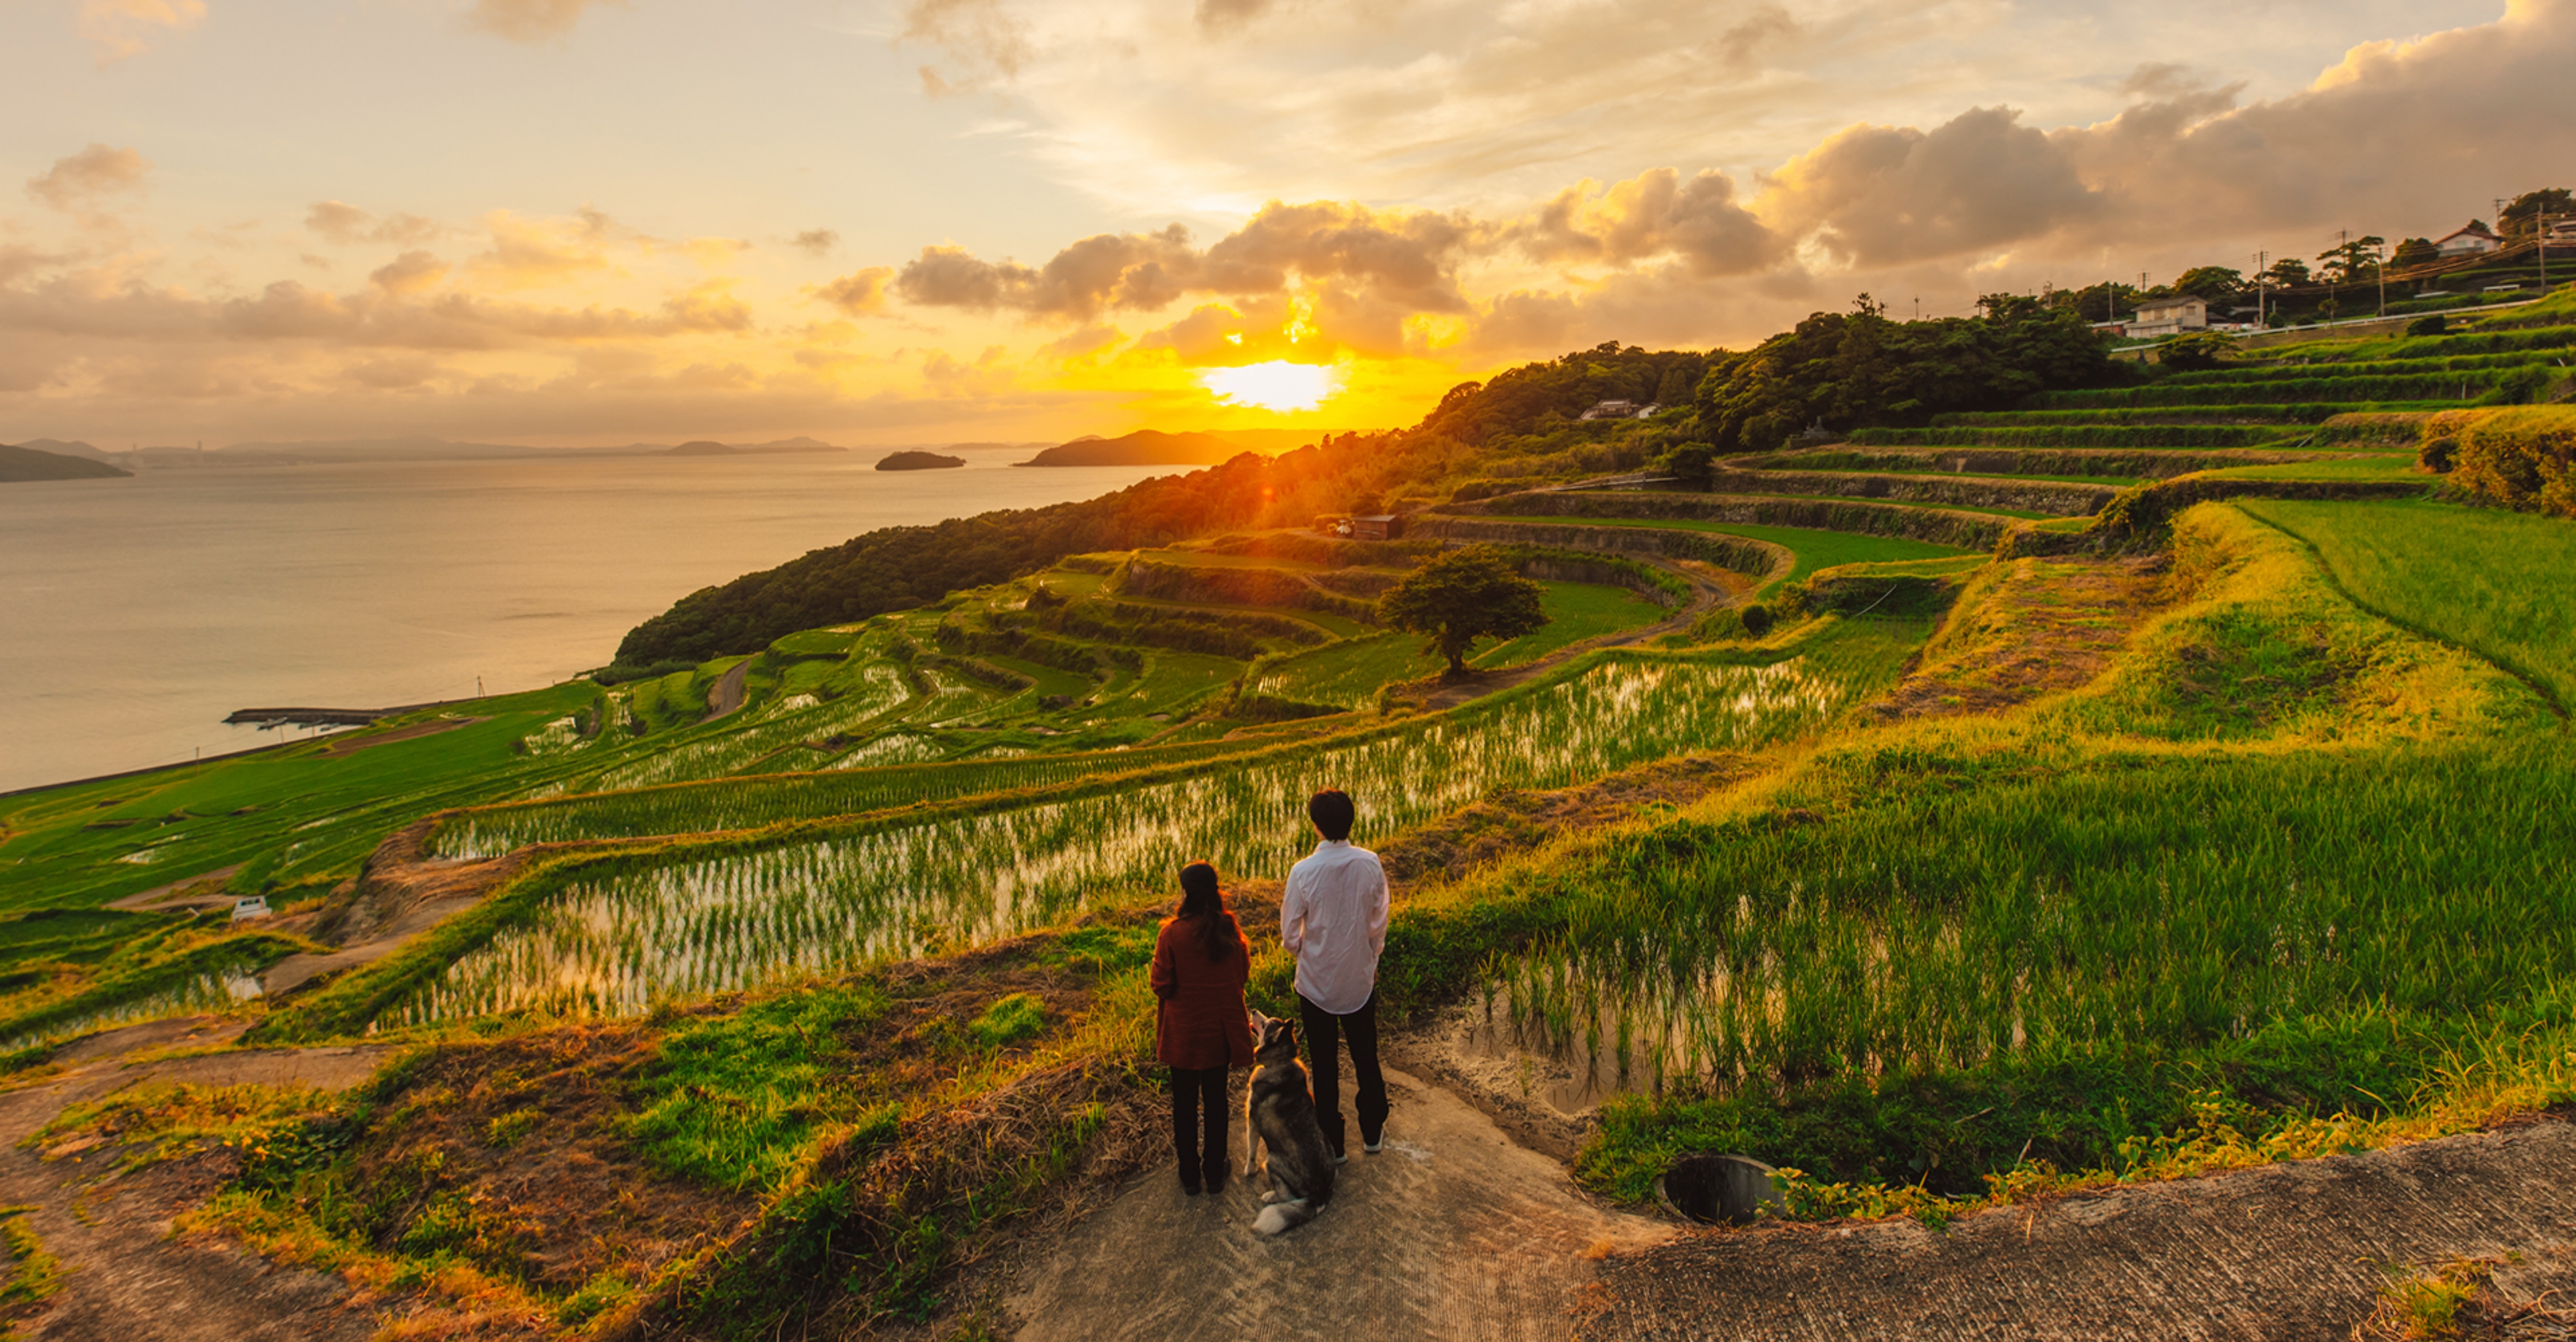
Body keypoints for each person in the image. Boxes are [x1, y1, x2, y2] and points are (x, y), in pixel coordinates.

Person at [1279, 788, 1390, 1162]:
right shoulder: (1370, 863)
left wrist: (1305, 952)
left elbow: (1290, 934)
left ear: (1315, 826)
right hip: (1359, 979)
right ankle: (1372, 1133)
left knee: (1324, 1066)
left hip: (1316, 985)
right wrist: (1370, 960)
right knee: (1366, 1057)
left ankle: (1335, 1145)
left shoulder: (1302, 871)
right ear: (1351, 820)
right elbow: (1378, 922)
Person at [1150, 861, 1256, 1196]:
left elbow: (1161, 984)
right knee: (1215, 1101)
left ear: (1185, 894)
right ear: (1215, 892)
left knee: (1183, 1104)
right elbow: (1241, 976)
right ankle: (1214, 1171)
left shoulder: (1172, 934)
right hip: (1218, 1036)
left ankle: (1188, 1175)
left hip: (1184, 1035)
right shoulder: (1230, 932)